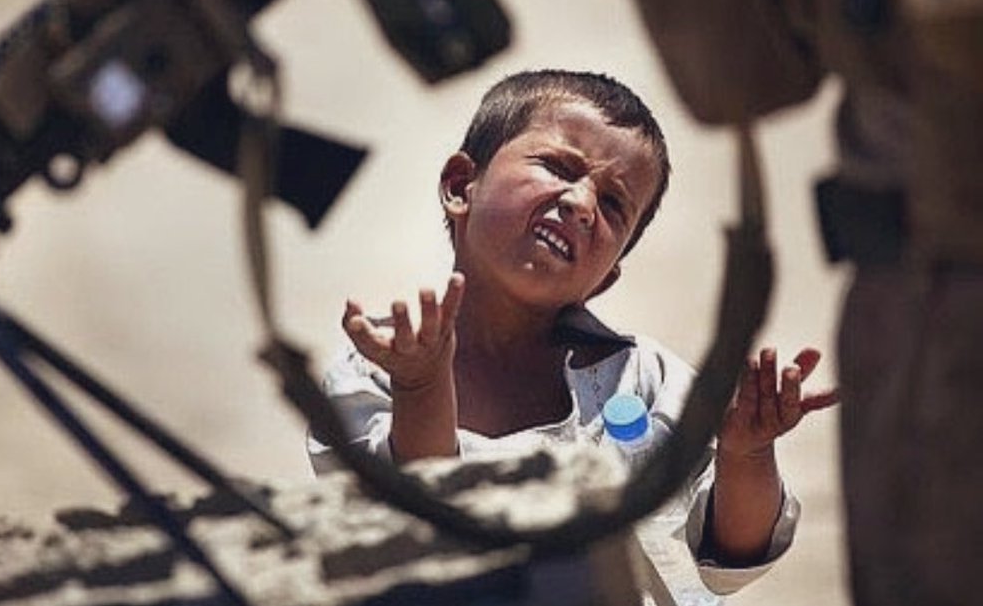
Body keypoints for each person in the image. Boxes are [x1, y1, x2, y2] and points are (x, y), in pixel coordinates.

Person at [307, 70, 839, 597]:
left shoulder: (643, 378)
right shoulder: (376, 369)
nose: (581, 205)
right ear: (459, 186)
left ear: (606, 274)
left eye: (612, 205)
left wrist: (745, 453)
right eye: (558, 167)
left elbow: (730, 556)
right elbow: (417, 526)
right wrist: (420, 386)